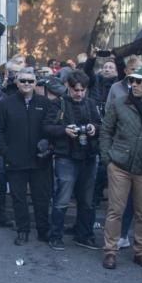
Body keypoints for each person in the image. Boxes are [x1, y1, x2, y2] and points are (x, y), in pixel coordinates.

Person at [99, 65, 142, 270]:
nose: (134, 85)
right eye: (131, 81)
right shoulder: (120, 103)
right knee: (115, 210)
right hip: (119, 164)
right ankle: (110, 251)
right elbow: (106, 131)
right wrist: (107, 159)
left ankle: (141, 252)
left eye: (139, 81)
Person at [0, 67, 52, 245]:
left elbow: (52, 127)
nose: (26, 84)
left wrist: (48, 148)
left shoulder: (45, 103)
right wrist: (5, 152)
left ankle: (43, 231)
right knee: (18, 199)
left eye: (30, 81)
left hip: (40, 161)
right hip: (15, 161)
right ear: (17, 83)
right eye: (23, 81)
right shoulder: (6, 104)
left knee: (41, 198)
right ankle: (22, 231)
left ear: (35, 83)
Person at [43, 70, 102, 250]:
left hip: (88, 156)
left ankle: (84, 235)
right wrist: (64, 131)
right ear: (68, 86)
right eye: (76, 90)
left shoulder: (91, 104)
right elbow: (46, 127)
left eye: (82, 90)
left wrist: (93, 128)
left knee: (87, 200)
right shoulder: (58, 104)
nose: (79, 93)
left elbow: (101, 124)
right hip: (66, 157)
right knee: (62, 198)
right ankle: (56, 235)